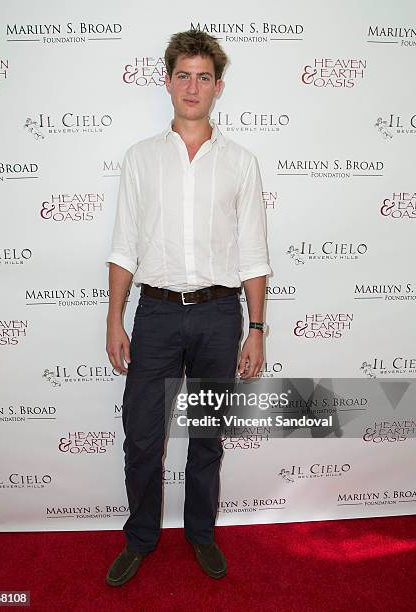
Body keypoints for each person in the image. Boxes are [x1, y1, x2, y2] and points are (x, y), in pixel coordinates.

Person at [104, 30, 272, 586]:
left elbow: (253, 253)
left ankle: (201, 534)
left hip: (220, 318)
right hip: (153, 315)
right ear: (168, 81)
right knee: (143, 437)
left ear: (218, 87)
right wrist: (113, 319)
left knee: (207, 436)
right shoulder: (140, 159)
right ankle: (141, 539)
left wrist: (256, 329)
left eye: (204, 76)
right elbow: (124, 246)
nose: (193, 86)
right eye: (183, 75)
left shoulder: (242, 163)